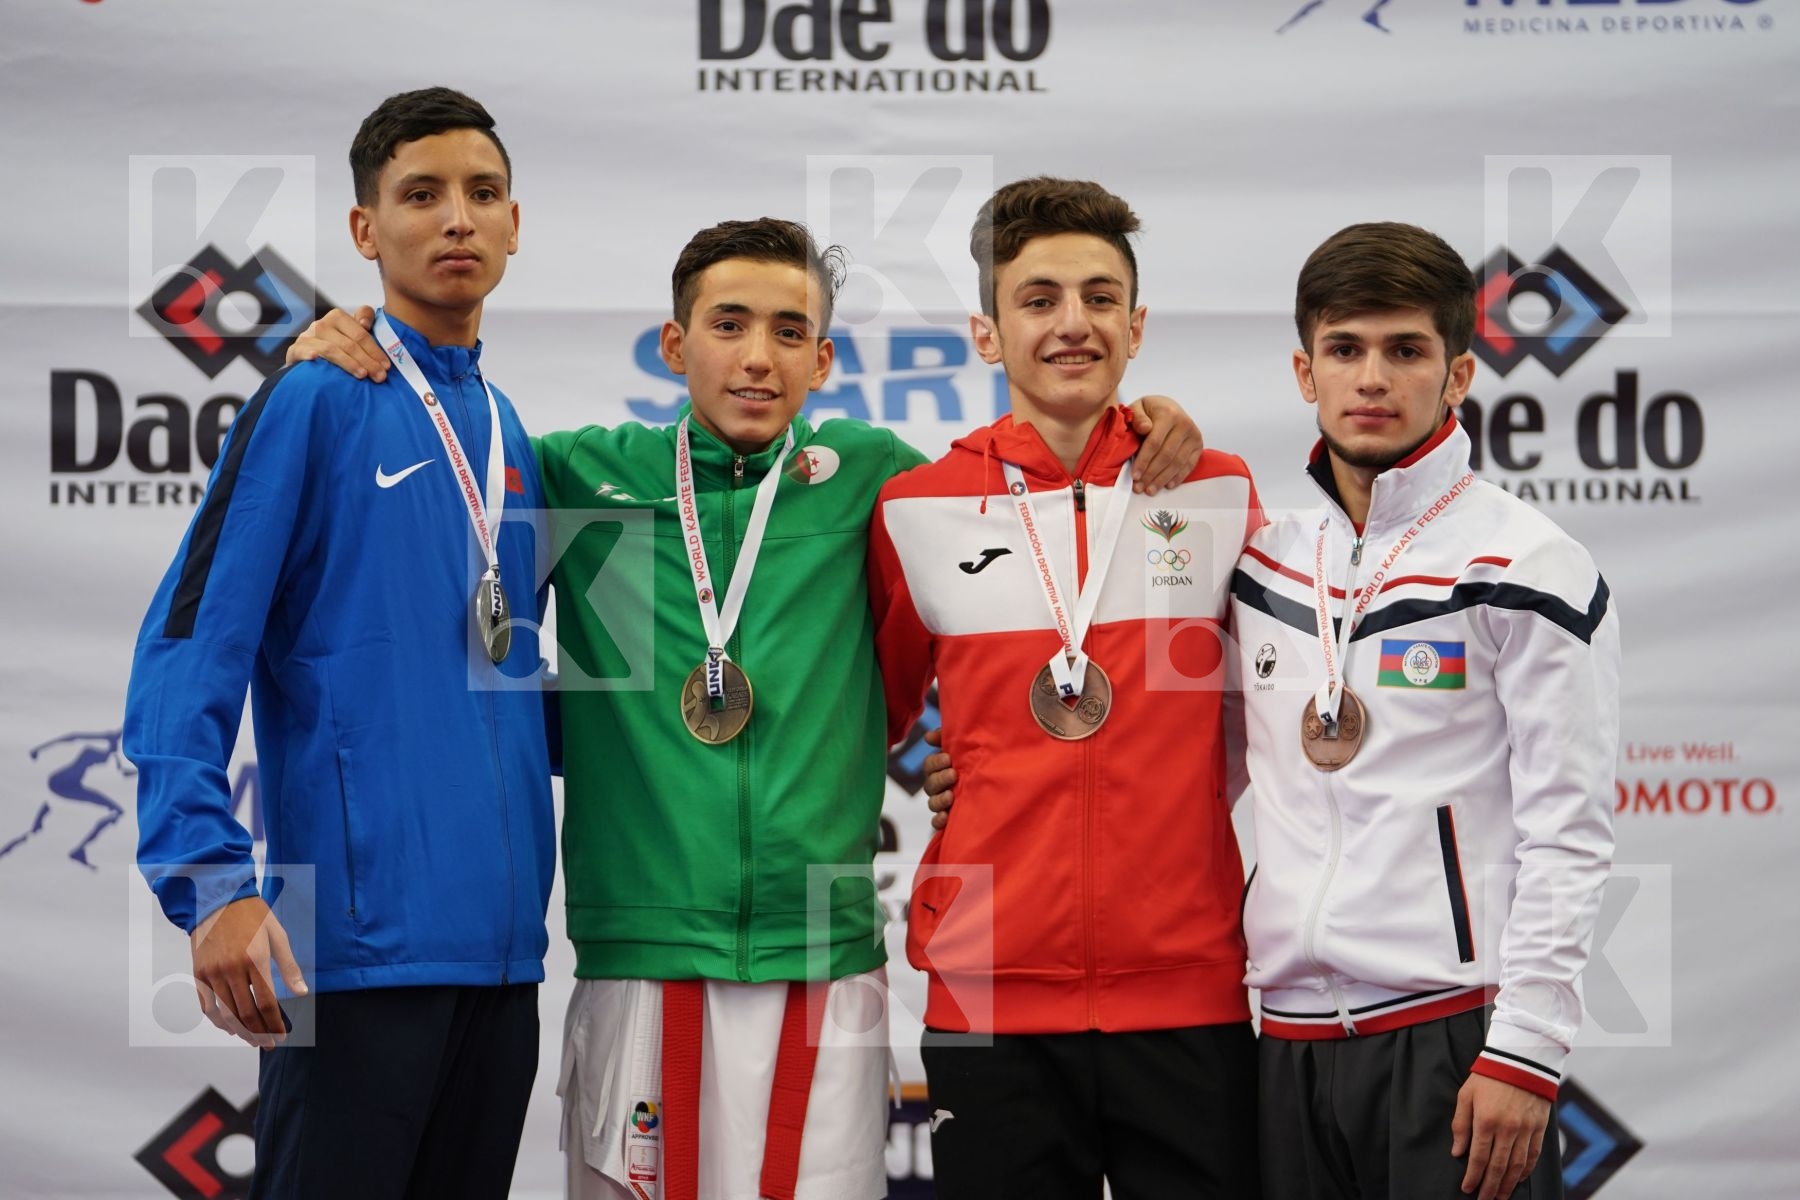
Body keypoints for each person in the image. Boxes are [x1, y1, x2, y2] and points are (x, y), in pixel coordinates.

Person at [286, 215, 1203, 1199]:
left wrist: (1149, 423)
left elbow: (1037, 546)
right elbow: (442, 498)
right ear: (677, 346)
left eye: (787, 331)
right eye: (728, 325)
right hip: (643, 953)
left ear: (824, 357)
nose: (757, 357)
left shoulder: (880, 480)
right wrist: (336, 353)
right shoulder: (581, 475)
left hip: (823, 950)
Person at [123, 87, 555, 1199]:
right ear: (367, 232)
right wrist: (212, 882)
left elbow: (510, 692)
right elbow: (190, 646)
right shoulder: (316, 397)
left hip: (506, 964)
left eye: (483, 193)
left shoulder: (517, 438)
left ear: (516, 223)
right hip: (352, 957)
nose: (457, 218)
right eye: (422, 195)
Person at [866, 177, 1264, 1198]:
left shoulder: (1215, 489)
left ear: (1136, 328)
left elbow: (1279, 710)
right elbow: (866, 717)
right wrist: (967, 785)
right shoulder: (918, 506)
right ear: (988, 334)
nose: (1071, 323)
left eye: (1099, 298)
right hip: (988, 983)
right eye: (1038, 299)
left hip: (1186, 979)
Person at [1230, 222, 1619, 1200]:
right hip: (1283, 1046)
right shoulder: (1263, 563)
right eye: (1345, 350)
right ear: (1302, 370)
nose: (1371, 378)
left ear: (1457, 375)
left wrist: (1525, 1048)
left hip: (1455, 1041)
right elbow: (1183, 770)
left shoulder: (1528, 564)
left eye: (1405, 351)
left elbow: (1568, 829)